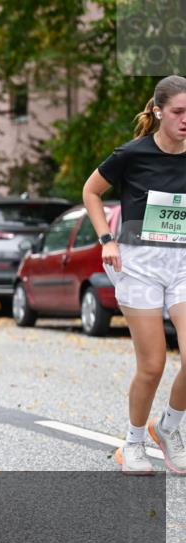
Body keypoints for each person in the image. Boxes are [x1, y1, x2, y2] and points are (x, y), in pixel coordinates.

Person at [82, 74, 186, 475]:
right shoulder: (131, 154)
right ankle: (133, 443)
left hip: (181, 265)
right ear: (158, 111)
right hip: (139, 266)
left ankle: (169, 428)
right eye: (177, 112)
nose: (184, 119)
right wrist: (106, 239)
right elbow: (91, 191)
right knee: (153, 364)